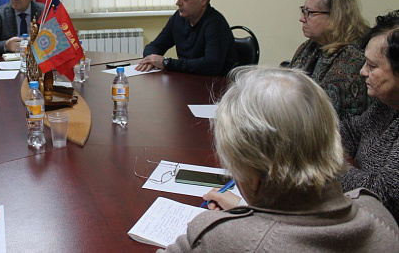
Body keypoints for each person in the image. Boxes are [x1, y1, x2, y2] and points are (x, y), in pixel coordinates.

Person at [161, 67, 399, 252]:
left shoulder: (222, 239)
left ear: (252, 174)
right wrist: (249, 212)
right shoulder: (377, 214)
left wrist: (231, 225)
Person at [340, 10, 399, 222]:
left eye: (372, 66)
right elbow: (351, 130)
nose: (362, 72)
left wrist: (321, 163)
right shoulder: (387, 104)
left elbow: (385, 195)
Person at [290, 0, 369, 118]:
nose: (302, 18)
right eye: (303, 10)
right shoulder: (308, 48)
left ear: (335, 16)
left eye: (309, 13)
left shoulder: (354, 58)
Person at [136, 0, 237, 75]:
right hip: (188, 81)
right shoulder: (178, 18)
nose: (178, 2)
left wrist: (166, 63)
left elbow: (211, 65)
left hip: (216, 85)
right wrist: (151, 60)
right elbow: (155, 45)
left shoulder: (215, 23)